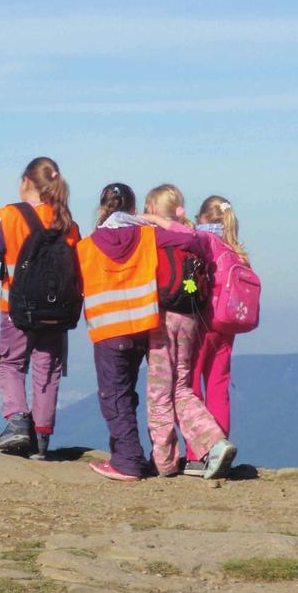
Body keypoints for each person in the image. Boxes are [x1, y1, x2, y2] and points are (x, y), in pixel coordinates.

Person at [77, 183, 207, 481]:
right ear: (134, 210)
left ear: (101, 209)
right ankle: (136, 454)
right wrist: (159, 220)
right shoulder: (146, 235)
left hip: (107, 330)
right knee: (128, 393)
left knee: (114, 395)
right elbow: (188, 238)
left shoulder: (87, 245)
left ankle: (127, 460)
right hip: (140, 328)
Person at [0, 157, 80, 460]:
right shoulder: (68, 223)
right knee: (47, 369)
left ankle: (16, 422)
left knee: (10, 364)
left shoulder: (11, 216)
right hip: (57, 313)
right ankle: (41, 441)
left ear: (25, 181)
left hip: (17, 310)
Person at [140, 194, 249, 475]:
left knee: (188, 387)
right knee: (218, 385)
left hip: (203, 322)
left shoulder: (203, 239)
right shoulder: (236, 249)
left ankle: (197, 454)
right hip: (229, 326)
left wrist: (156, 220)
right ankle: (220, 445)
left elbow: (186, 241)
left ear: (202, 218)